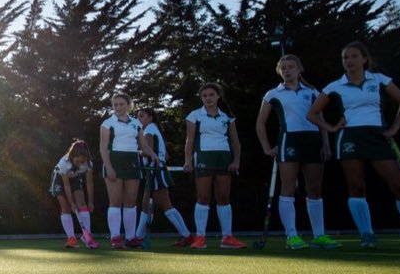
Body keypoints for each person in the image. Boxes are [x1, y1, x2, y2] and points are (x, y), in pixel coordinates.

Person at [306, 42, 400, 248]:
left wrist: (393, 129)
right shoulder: (334, 86)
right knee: (357, 187)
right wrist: (332, 128)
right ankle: (367, 235)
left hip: (377, 137)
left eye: (354, 56)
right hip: (350, 138)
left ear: (364, 59)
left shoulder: (380, 79)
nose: (349, 61)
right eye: (345, 57)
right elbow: (311, 114)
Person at [256, 55, 339, 250]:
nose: (287, 71)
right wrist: (266, 148)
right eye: (283, 68)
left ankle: (319, 235)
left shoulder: (312, 92)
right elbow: (260, 123)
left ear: (299, 69)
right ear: (279, 71)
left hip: (313, 141)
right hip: (289, 141)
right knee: (288, 188)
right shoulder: (273, 94)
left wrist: (326, 145)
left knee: (314, 190)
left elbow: (320, 119)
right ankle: (292, 236)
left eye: (291, 67)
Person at [183, 83, 245, 249]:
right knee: (203, 197)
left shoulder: (227, 117)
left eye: (211, 95)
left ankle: (227, 237)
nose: (208, 98)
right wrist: (188, 161)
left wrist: (236, 161)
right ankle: (200, 237)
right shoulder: (194, 115)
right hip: (203, 157)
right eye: (204, 96)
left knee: (223, 197)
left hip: (224, 158)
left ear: (218, 96)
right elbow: (189, 140)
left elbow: (235, 141)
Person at [132, 107, 194, 247]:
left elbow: (148, 151)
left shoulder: (149, 131)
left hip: (156, 170)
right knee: (146, 205)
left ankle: (186, 235)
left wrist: (132, 152)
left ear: (150, 117)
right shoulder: (153, 130)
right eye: (138, 116)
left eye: (141, 116)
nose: (138, 119)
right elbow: (164, 155)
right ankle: (138, 237)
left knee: (165, 205)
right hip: (154, 170)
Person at [99, 93, 143, 249]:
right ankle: (115, 237)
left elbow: (143, 146)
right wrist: (109, 168)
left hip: (132, 163)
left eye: (121, 104)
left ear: (129, 105)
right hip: (114, 163)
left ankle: (130, 237)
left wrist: (154, 155)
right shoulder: (107, 123)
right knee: (115, 201)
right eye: (115, 105)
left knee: (131, 202)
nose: (118, 107)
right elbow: (103, 148)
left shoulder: (137, 123)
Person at [50, 140, 99, 249]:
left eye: (83, 161)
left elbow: (89, 183)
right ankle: (71, 238)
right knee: (66, 207)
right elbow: (66, 185)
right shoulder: (64, 163)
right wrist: (72, 202)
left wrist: (90, 202)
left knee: (82, 204)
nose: (81, 163)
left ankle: (87, 236)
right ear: (72, 157)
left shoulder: (88, 164)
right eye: (78, 161)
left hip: (74, 178)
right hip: (60, 180)